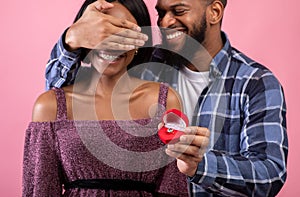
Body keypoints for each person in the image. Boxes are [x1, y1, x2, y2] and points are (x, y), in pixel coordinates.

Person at [44, 0, 288, 196]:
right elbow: (63, 94)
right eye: (161, 13)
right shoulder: (144, 64)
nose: (166, 22)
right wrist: (71, 39)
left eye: (178, 10)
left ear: (214, 12)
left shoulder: (255, 82)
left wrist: (199, 165)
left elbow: (270, 174)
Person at [22, 0, 191, 196]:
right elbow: (40, 189)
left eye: (124, 33)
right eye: (102, 31)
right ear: (84, 35)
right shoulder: (49, 105)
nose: (112, 44)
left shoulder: (165, 100)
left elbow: (174, 187)